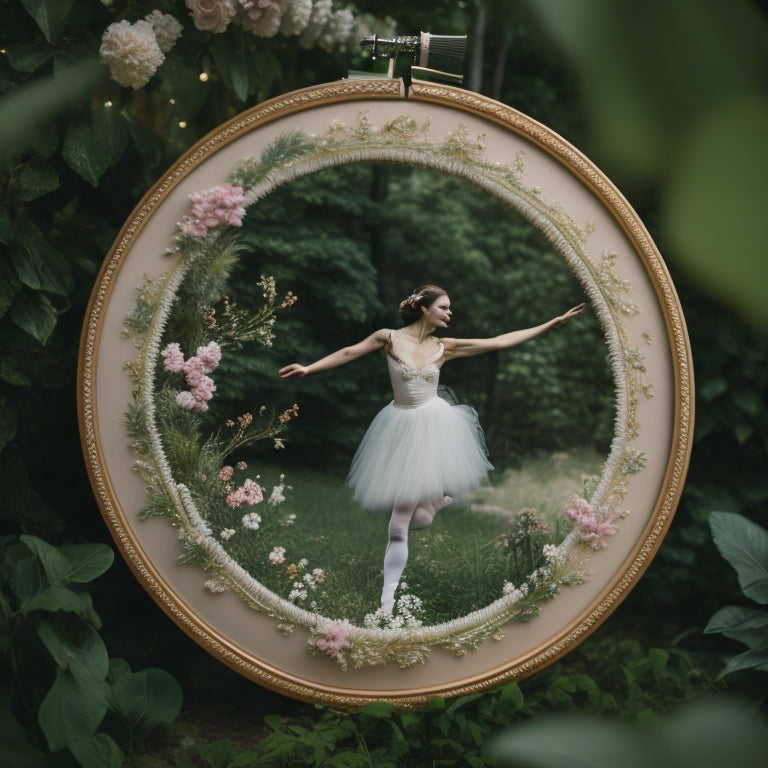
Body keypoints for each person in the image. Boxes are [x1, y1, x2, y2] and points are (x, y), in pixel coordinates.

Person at [279, 285, 585, 614]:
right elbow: (349, 352)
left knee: (398, 525)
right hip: (398, 427)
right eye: (444, 307)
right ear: (425, 309)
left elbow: (498, 341)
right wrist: (310, 367)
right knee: (417, 516)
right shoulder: (388, 338)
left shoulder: (445, 347)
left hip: (433, 428)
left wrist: (551, 322)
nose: (449, 313)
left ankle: (386, 605)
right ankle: (437, 504)